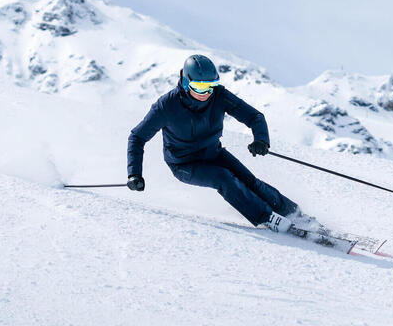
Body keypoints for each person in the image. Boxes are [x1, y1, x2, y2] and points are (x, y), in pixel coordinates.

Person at [126, 54, 303, 233]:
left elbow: (254, 116)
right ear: (187, 82)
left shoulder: (219, 96)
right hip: (184, 164)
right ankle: (267, 218)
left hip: (213, 153)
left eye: (211, 86)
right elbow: (137, 137)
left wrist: (261, 140)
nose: (206, 93)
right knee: (223, 178)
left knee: (250, 181)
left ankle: (294, 214)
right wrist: (134, 174)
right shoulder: (166, 106)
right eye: (200, 87)